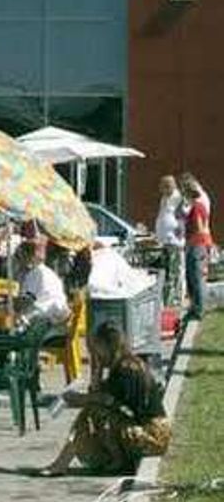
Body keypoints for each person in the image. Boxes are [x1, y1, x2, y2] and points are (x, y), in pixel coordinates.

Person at [44, 322, 170, 475]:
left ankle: (62, 463)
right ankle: (110, 460)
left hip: (153, 435)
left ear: (107, 346)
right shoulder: (125, 363)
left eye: (98, 348)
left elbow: (103, 399)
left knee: (92, 412)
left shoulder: (125, 369)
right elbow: (100, 394)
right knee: (96, 411)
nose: (95, 352)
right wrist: (97, 370)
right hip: (149, 432)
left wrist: (77, 398)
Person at [180, 172, 213, 322]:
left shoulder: (198, 207)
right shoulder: (197, 206)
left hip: (197, 244)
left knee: (196, 278)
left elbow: (199, 227)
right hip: (196, 244)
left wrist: (189, 233)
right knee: (192, 277)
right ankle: (195, 307)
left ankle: (199, 310)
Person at [18, 238, 70, 324]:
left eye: (21, 256)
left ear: (28, 256)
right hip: (58, 313)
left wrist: (9, 302)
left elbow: (27, 300)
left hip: (44, 314)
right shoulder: (48, 272)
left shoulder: (35, 273)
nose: (20, 260)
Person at [154, 173, 184, 306]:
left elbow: (183, 217)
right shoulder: (164, 198)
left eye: (162, 187)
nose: (160, 189)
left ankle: (175, 300)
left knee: (173, 271)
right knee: (166, 271)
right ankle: (168, 299)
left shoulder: (178, 198)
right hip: (164, 241)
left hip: (174, 241)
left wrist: (180, 230)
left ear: (169, 186)